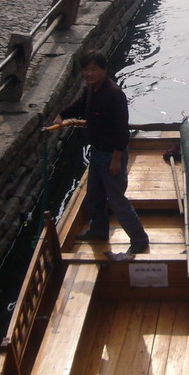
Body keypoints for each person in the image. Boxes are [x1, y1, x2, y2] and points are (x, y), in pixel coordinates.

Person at [60, 50, 150, 255]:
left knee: (117, 200)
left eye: (93, 69)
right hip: (97, 153)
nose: (89, 73)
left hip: (111, 155)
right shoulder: (91, 89)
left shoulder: (114, 94)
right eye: (86, 70)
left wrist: (117, 159)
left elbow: (121, 130)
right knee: (94, 196)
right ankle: (99, 231)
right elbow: (79, 106)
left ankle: (139, 238)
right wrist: (62, 115)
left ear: (104, 69)